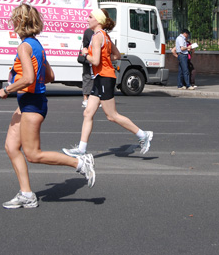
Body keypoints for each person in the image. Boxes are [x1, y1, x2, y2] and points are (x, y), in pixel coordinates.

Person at [0, 3, 95, 209]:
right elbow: (50, 76)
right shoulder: (36, 45)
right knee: (11, 146)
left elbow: (28, 77)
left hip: (33, 104)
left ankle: (80, 163)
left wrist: (7, 89)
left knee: (33, 154)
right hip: (27, 103)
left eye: (14, 19)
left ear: (20, 22)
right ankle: (26, 194)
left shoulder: (24, 46)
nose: (12, 22)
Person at [62, 9, 153, 157]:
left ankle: (143, 135)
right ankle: (81, 149)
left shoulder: (98, 37)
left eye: (90, 17)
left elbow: (95, 60)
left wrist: (86, 54)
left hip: (105, 78)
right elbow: (116, 55)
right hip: (99, 77)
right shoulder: (105, 36)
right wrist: (104, 60)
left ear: (98, 20)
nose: (87, 19)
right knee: (88, 112)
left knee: (112, 115)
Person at [80, 28, 94, 108]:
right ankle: (85, 99)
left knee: (89, 77)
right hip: (88, 57)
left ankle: (88, 99)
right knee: (87, 77)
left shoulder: (89, 31)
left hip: (89, 57)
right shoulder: (89, 32)